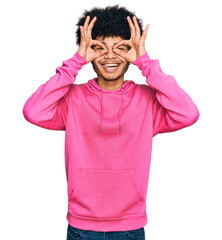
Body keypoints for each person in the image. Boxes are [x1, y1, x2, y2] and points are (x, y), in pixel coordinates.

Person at [22, 5, 200, 240]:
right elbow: (33, 111)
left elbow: (188, 114)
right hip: (81, 226)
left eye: (121, 48)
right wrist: (76, 62)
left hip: (130, 227)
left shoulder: (148, 100)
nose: (109, 56)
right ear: (89, 52)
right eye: (99, 48)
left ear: (132, 52)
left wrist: (146, 63)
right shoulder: (71, 99)